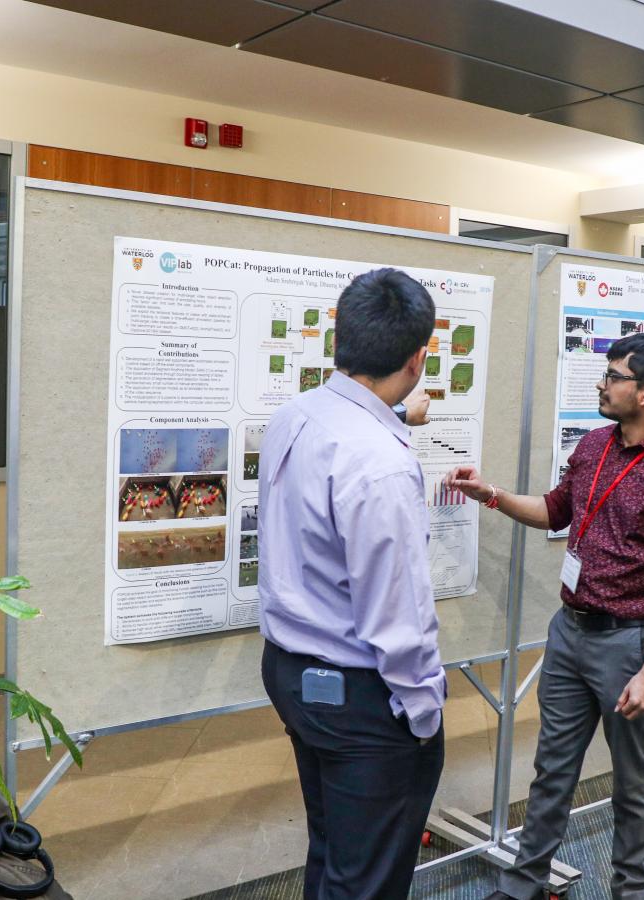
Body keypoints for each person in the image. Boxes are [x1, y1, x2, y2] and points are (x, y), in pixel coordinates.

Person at [446, 331, 644, 900]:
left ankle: (630, 892)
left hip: (630, 644)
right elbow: (554, 511)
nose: (601, 383)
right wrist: (489, 494)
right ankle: (524, 885)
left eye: (614, 376)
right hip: (569, 631)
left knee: (632, 782)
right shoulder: (595, 444)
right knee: (552, 770)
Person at [258, 267, 445, 900]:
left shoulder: (295, 416)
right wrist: (423, 712)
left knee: (335, 851)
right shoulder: (380, 463)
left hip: (291, 671)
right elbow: (398, 615)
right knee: (367, 879)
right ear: (417, 358)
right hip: (362, 700)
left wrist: (398, 419)